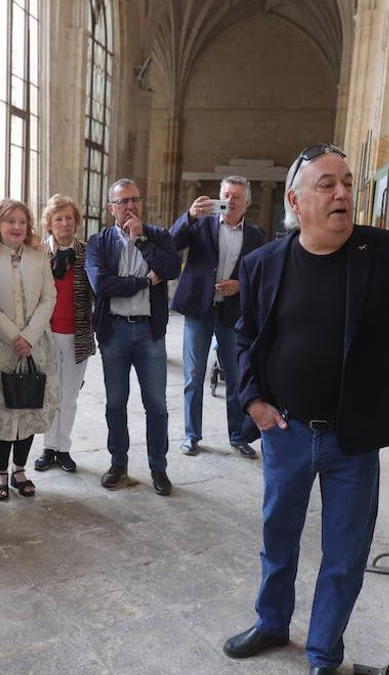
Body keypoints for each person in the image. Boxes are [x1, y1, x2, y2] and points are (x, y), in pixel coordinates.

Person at [222, 143, 389, 675]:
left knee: (344, 552)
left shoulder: (381, 252)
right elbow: (245, 340)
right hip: (286, 431)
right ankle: (270, 624)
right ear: (296, 200)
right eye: (327, 185)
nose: (342, 194)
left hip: (352, 437)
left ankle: (322, 655)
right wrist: (255, 403)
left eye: (347, 183)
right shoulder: (264, 263)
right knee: (277, 538)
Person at [84, 178, 180, 494]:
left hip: (149, 333)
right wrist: (143, 282)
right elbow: (102, 285)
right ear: (111, 207)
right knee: (115, 402)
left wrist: (140, 241)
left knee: (156, 404)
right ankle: (118, 463)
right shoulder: (98, 242)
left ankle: (159, 468)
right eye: (122, 201)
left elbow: (171, 268)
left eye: (134, 199)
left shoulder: (158, 236)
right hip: (115, 332)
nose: (129, 206)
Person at [0, 198, 60, 501]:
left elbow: (49, 297)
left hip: (36, 344)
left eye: (22, 221)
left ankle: (20, 469)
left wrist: (30, 336)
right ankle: (0, 472)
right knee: (2, 407)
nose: (17, 227)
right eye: (10, 221)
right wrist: (13, 336)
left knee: (29, 403)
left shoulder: (39, 256)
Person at [170, 175, 264, 459]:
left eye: (237, 196)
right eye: (226, 195)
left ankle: (237, 436)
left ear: (246, 203)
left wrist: (241, 286)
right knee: (193, 376)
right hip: (199, 310)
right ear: (218, 198)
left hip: (231, 314)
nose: (231, 200)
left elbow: (260, 276)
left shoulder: (256, 236)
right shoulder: (201, 223)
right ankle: (191, 435)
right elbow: (171, 242)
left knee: (235, 378)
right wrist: (189, 215)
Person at [33, 194, 95, 474]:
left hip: (78, 334)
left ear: (76, 221)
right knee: (49, 395)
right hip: (46, 334)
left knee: (69, 396)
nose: (64, 223)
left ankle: (64, 448)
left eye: (69, 217)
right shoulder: (37, 253)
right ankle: (48, 448)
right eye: (58, 218)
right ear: (49, 223)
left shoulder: (88, 251)